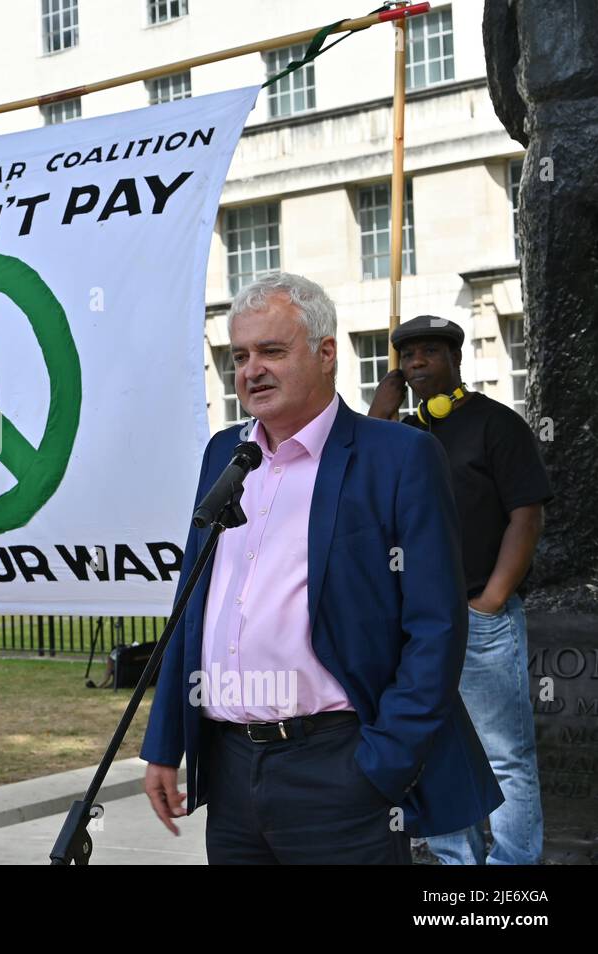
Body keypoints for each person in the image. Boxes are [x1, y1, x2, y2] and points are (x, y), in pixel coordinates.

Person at [140, 272, 503, 864]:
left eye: (271, 351)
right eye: (240, 356)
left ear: (326, 352)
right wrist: (166, 743)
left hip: (341, 767)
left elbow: (436, 625)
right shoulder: (224, 455)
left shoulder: (399, 457)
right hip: (230, 770)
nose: (251, 369)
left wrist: (384, 762)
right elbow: (194, 599)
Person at [369, 315, 552, 864]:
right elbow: (359, 478)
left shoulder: (497, 424)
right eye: (409, 355)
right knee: (438, 750)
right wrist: (382, 408)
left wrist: (493, 598)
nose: (418, 362)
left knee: (503, 757)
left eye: (430, 352)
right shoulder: (401, 435)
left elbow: (527, 514)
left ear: (456, 360)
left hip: (478, 616)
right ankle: (458, 866)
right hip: (418, 625)